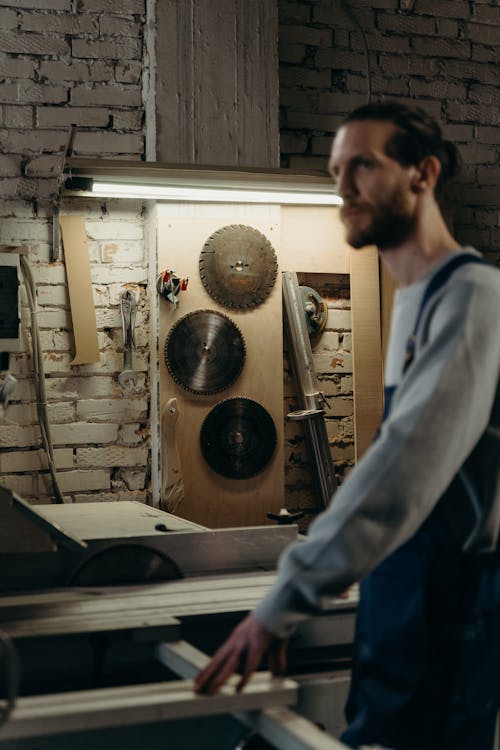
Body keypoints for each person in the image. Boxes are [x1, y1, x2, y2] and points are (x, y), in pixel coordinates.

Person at [195, 102, 500, 750]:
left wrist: (285, 600)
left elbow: (402, 470)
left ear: (423, 173)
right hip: (396, 595)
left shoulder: (474, 297)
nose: (343, 187)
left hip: (445, 606)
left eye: (363, 165)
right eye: (337, 169)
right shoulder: (417, 298)